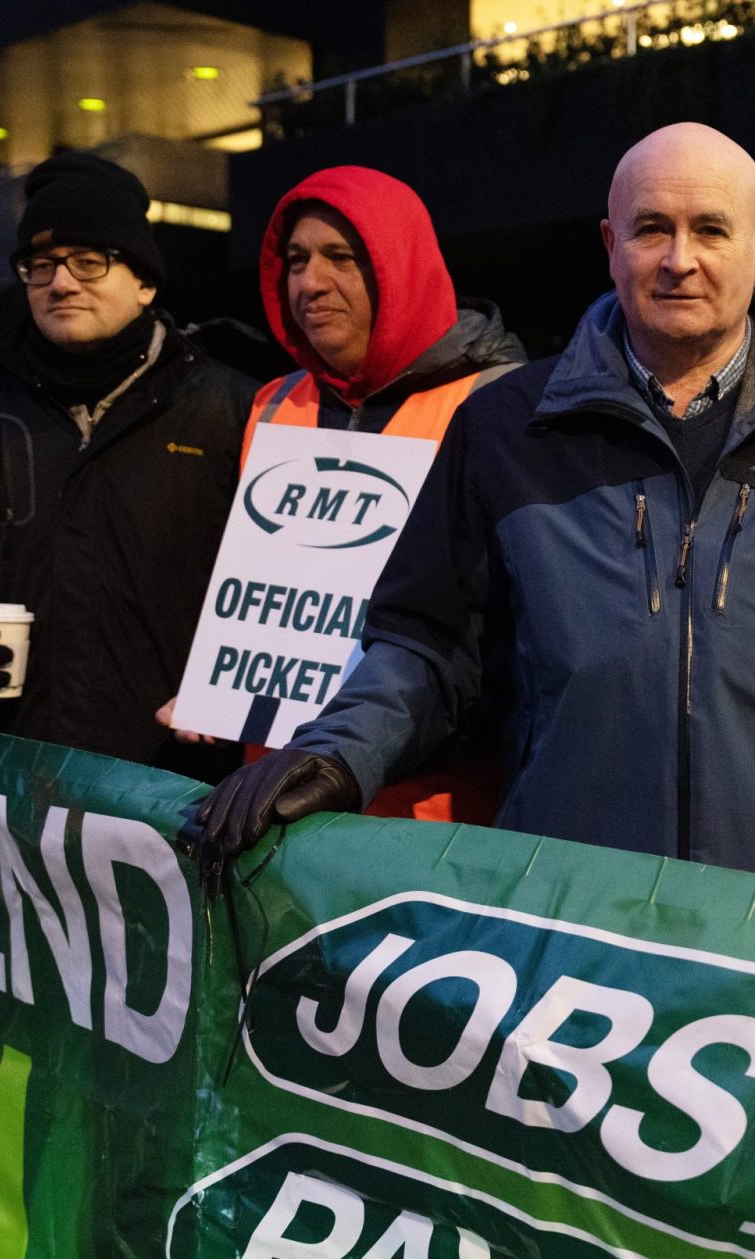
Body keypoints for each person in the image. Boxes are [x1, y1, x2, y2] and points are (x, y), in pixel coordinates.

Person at [193, 123, 755, 907]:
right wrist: (336, 753)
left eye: (710, 230)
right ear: (610, 242)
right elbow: (427, 651)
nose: (680, 259)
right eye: (651, 229)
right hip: (566, 922)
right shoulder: (505, 428)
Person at [161, 165, 525, 823]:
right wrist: (215, 686)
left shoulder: (497, 404)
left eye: (342, 258)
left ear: (399, 267)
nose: (309, 282)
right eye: (296, 260)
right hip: (273, 811)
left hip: (434, 821)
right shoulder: (272, 405)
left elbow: (510, 638)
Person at [0, 151, 256, 781]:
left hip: (179, 792)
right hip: (7, 785)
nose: (61, 283)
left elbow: (279, 602)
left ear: (144, 282)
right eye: (40, 265)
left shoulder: (238, 409)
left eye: (90, 262)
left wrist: (232, 695)